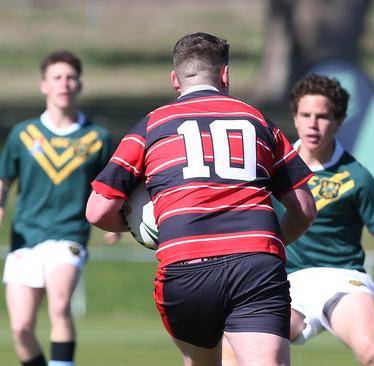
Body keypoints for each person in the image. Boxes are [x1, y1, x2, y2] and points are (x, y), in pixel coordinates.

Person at [85, 32, 316, 366]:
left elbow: (97, 210)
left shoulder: (151, 126)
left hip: (185, 266)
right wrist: (267, 243)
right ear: (225, 76)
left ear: (175, 81)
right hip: (255, 264)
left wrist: (143, 224)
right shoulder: (257, 120)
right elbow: (305, 209)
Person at [223, 74, 374, 365]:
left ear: (339, 121)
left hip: (343, 280)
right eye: (305, 115)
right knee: (234, 351)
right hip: (285, 282)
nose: (312, 124)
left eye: (323, 116)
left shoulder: (357, 177)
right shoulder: (271, 168)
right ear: (294, 118)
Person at [0, 50, 119, 366]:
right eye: (57, 77)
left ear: (79, 85)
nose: (64, 84)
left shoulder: (97, 138)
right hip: (25, 238)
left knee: (58, 306)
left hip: (68, 236)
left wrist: (117, 223)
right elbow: (3, 180)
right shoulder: (24, 135)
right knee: (21, 328)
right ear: (44, 85)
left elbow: (115, 186)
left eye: (70, 77)